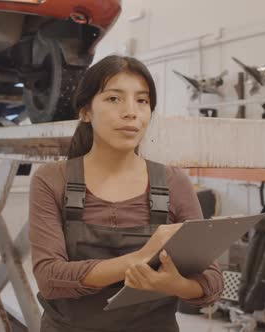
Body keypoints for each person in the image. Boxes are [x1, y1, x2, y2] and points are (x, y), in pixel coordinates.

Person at [29, 55, 224, 332]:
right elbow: (49, 278)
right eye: (113, 99)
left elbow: (212, 280)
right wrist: (139, 259)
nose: (131, 112)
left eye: (142, 101)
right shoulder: (52, 180)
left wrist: (176, 285)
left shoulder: (173, 182)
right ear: (85, 111)